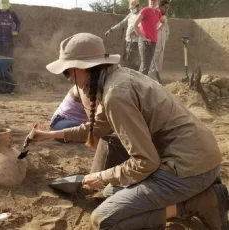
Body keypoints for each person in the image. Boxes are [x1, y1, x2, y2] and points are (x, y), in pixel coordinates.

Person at [26, 32, 228, 229]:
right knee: (110, 192)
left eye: (67, 71)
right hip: (194, 158)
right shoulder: (116, 78)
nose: (69, 78)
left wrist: (100, 176)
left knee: (104, 220)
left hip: (189, 169)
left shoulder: (116, 95)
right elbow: (95, 129)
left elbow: (145, 162)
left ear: (84, 68)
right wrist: (48, 135)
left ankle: (198, 202)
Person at [105, 0, 140, 70]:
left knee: (131, 59)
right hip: (128, 40)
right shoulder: (130, 15)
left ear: (137, 6)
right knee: (125, 57)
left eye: (132, 8)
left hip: (136, 42)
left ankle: (131, 74)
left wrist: (137, 32)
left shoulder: (141, 15)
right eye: (130, 9)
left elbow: (144, 27)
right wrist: (111, 30)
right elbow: (121, 24)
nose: (131, 10)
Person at [134, 0, 165, 76]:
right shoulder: (145, 10)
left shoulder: (158, 13)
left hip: (153, 41)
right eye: (151, 1)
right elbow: (135, 25)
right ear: (148, 1)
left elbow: (163, 22)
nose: (153, 2)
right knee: (145, 65)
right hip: (145, 41)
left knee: (147, 64)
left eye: (155, 1)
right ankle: (140, 84)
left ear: (158, 2)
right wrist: (143, 37)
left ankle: (141, 82)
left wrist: (156, 30)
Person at [149, 0, 170, 81]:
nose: (166, 9)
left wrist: (166, 36)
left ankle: (156, 80)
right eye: (165, 7)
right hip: (154, 43)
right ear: (160, 6)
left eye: (167, 7)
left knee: (159, 63)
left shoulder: (164, 17)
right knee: (151, 63)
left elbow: (167, 28)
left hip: (162, 44)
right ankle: (150, 80)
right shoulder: (153, 15)